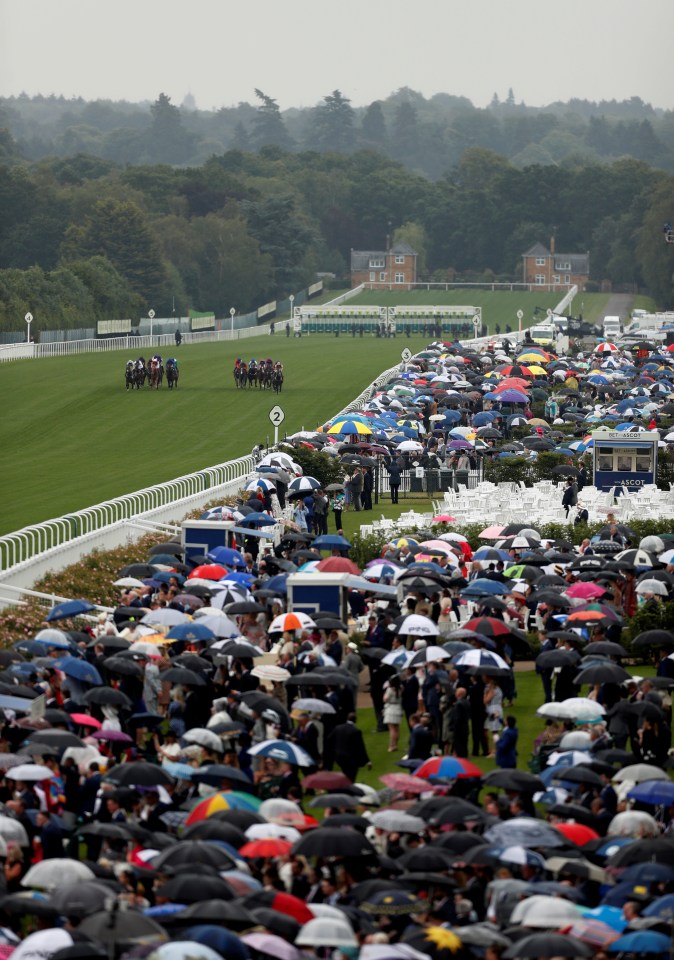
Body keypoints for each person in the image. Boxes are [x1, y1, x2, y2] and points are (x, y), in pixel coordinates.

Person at [330, 713, 371, 782]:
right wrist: (367, 761)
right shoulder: (356, 731)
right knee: (351, 776)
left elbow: (329, 740)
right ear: (355, 720)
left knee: (345, 773)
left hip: (339, 757)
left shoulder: (338, 728)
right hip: (351, 759)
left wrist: (335, 750)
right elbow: (361, 748)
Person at [383, 675, 403, 752]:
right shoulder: (401, 688)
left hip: (391, 709)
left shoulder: (390, 690)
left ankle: (392, 746)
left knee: (392, 729)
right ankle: (396, 745)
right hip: (398, 708)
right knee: (397, 729)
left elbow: (385, 699)